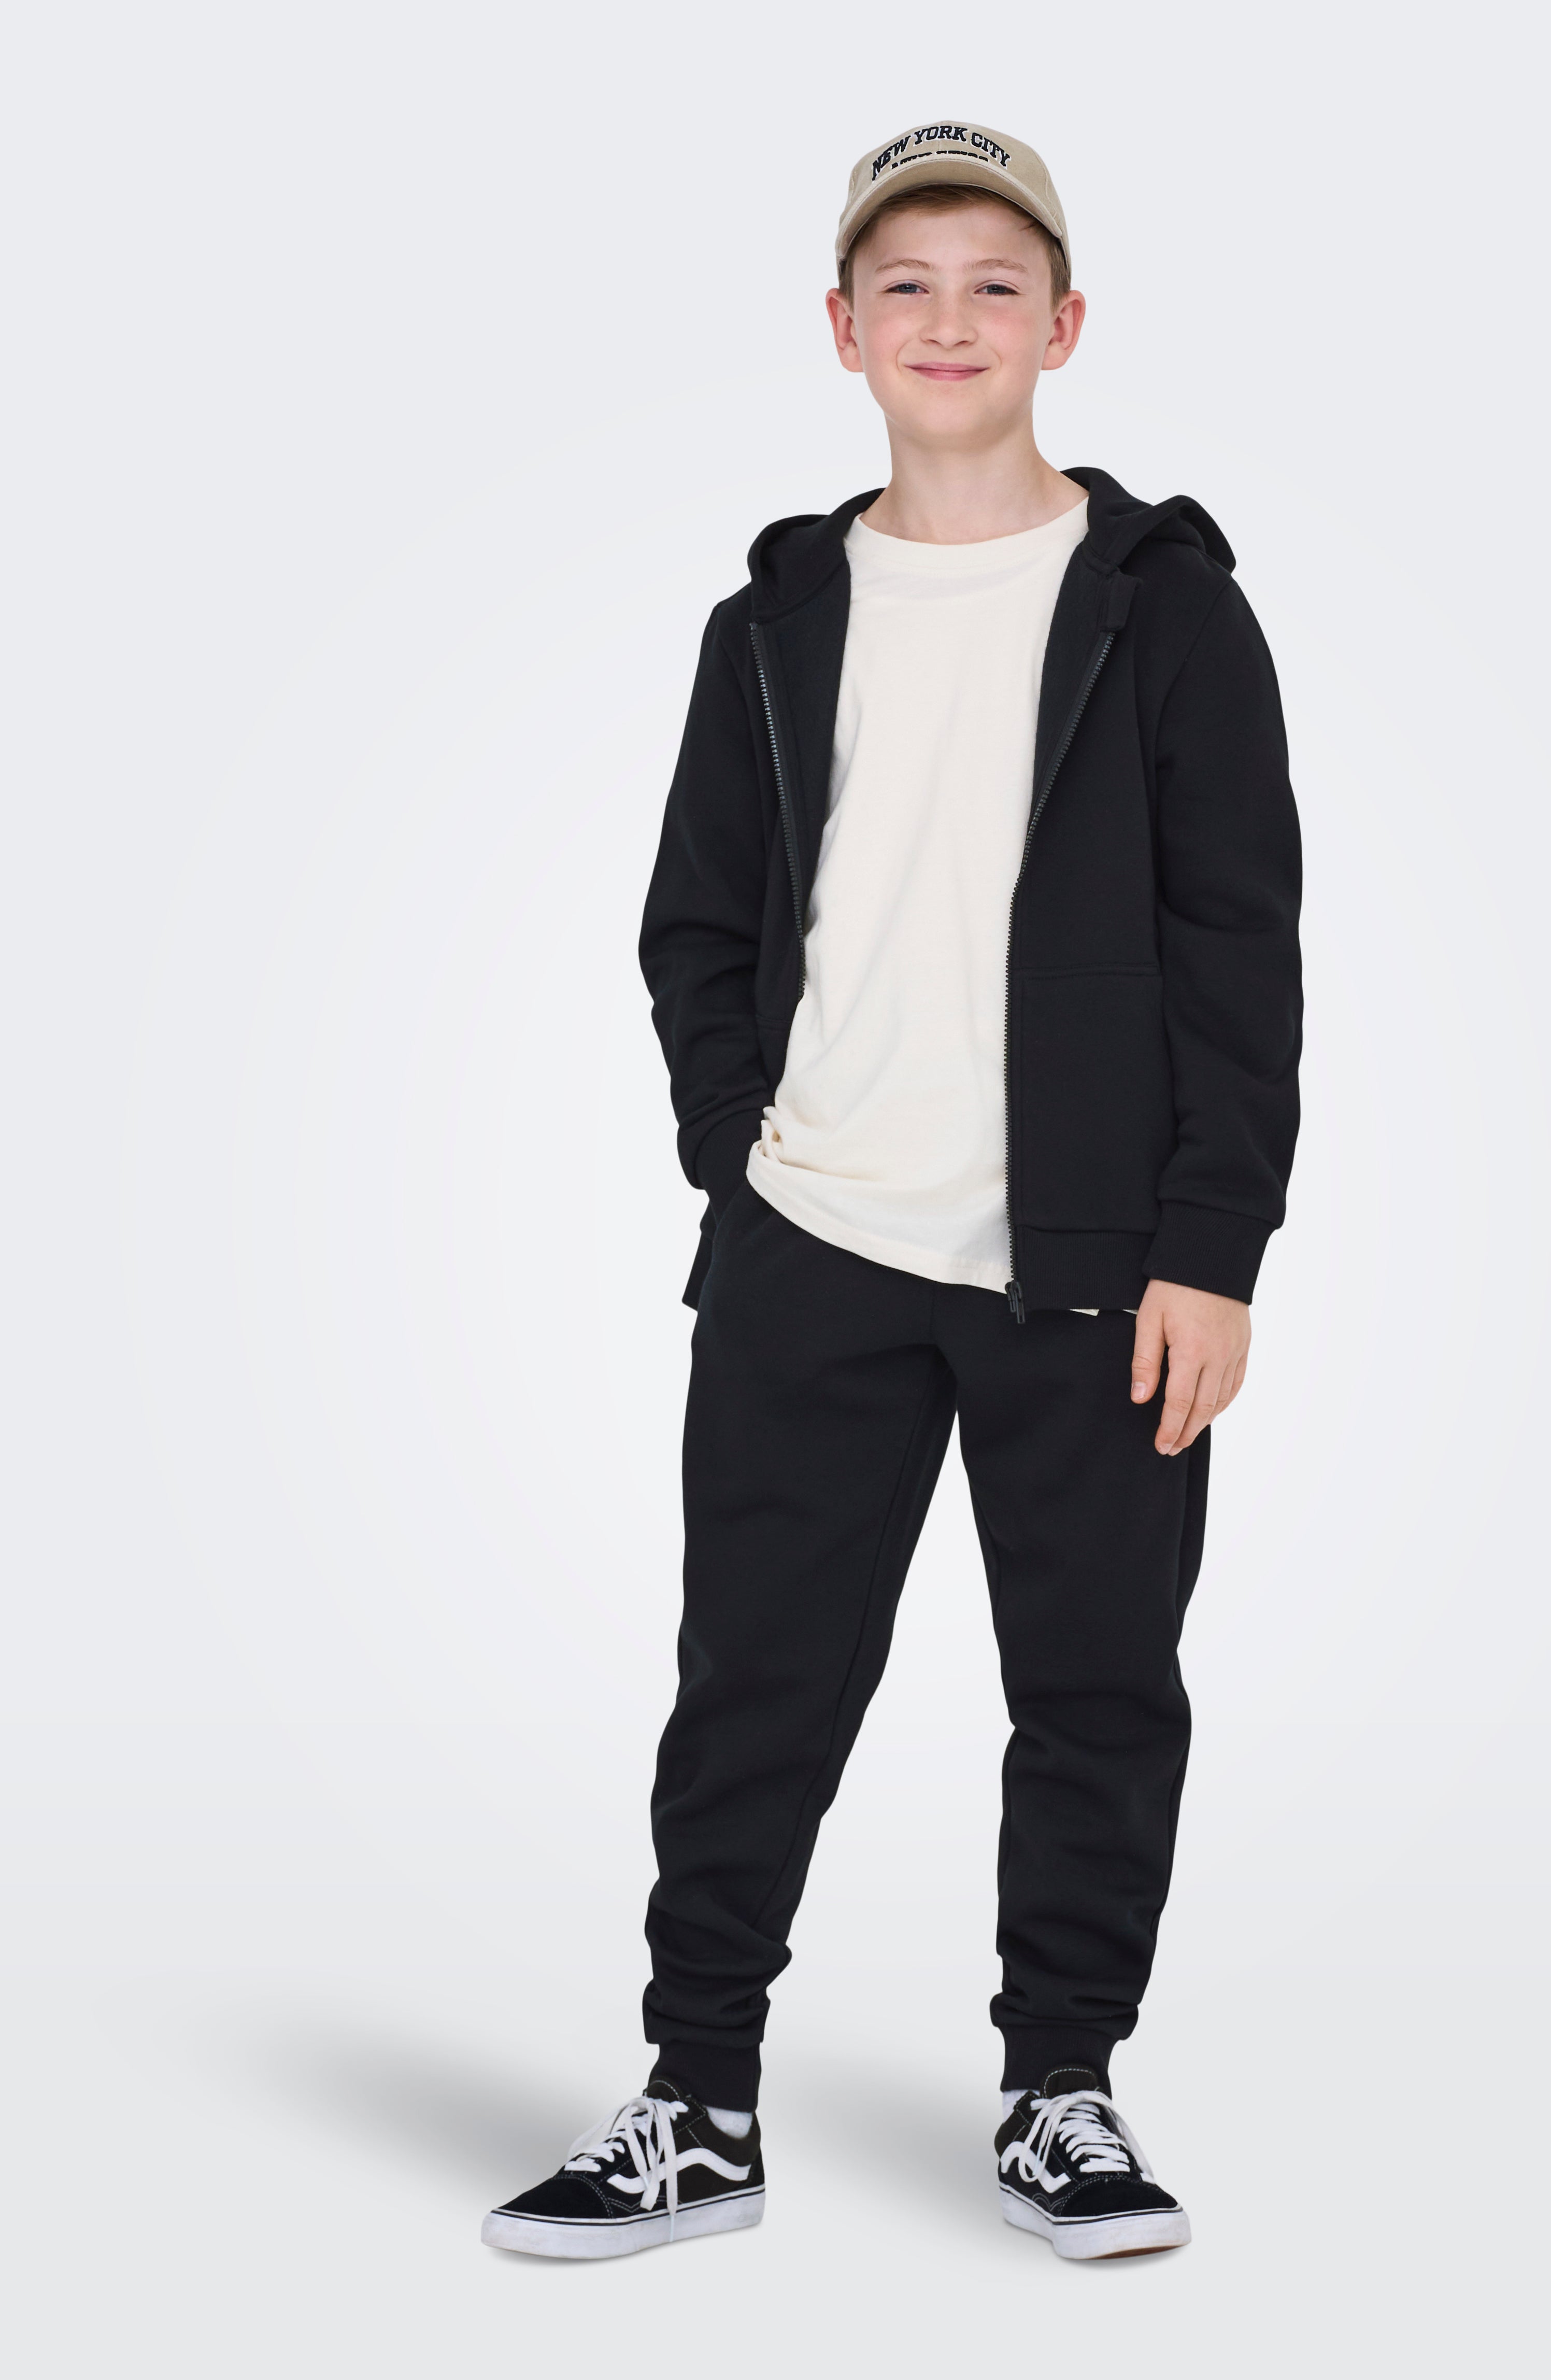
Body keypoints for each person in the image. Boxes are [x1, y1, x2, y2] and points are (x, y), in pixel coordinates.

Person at [483, 120, 1302, 2265]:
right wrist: (742, 1157)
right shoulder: (774, 615)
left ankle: (1061, 2091)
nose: (951, 321)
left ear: (1066, 325)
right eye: (906, 286)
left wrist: (1210, 1249)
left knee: (1098, 1688)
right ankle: (696, 2099)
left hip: (1094, 1272)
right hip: (813, 1250)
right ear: (843, 331)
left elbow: (1240, 951)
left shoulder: (1171, 610)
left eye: (994, 284)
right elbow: (695, 923)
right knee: (754, 1683)